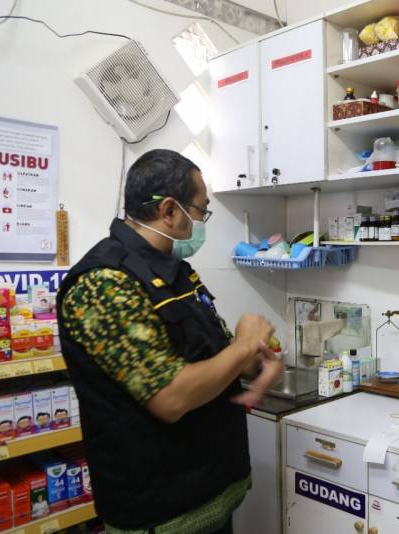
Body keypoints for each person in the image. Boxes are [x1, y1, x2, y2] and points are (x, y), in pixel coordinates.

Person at [58, 149, 283, 534]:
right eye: (200, 211)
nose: (201, 222)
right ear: (168, 210)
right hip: (161, 513)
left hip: (211, 492)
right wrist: (243, 347)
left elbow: (213, 357)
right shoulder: (105, 282)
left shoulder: (177, 272)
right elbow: (170, 397)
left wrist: (258, 359)